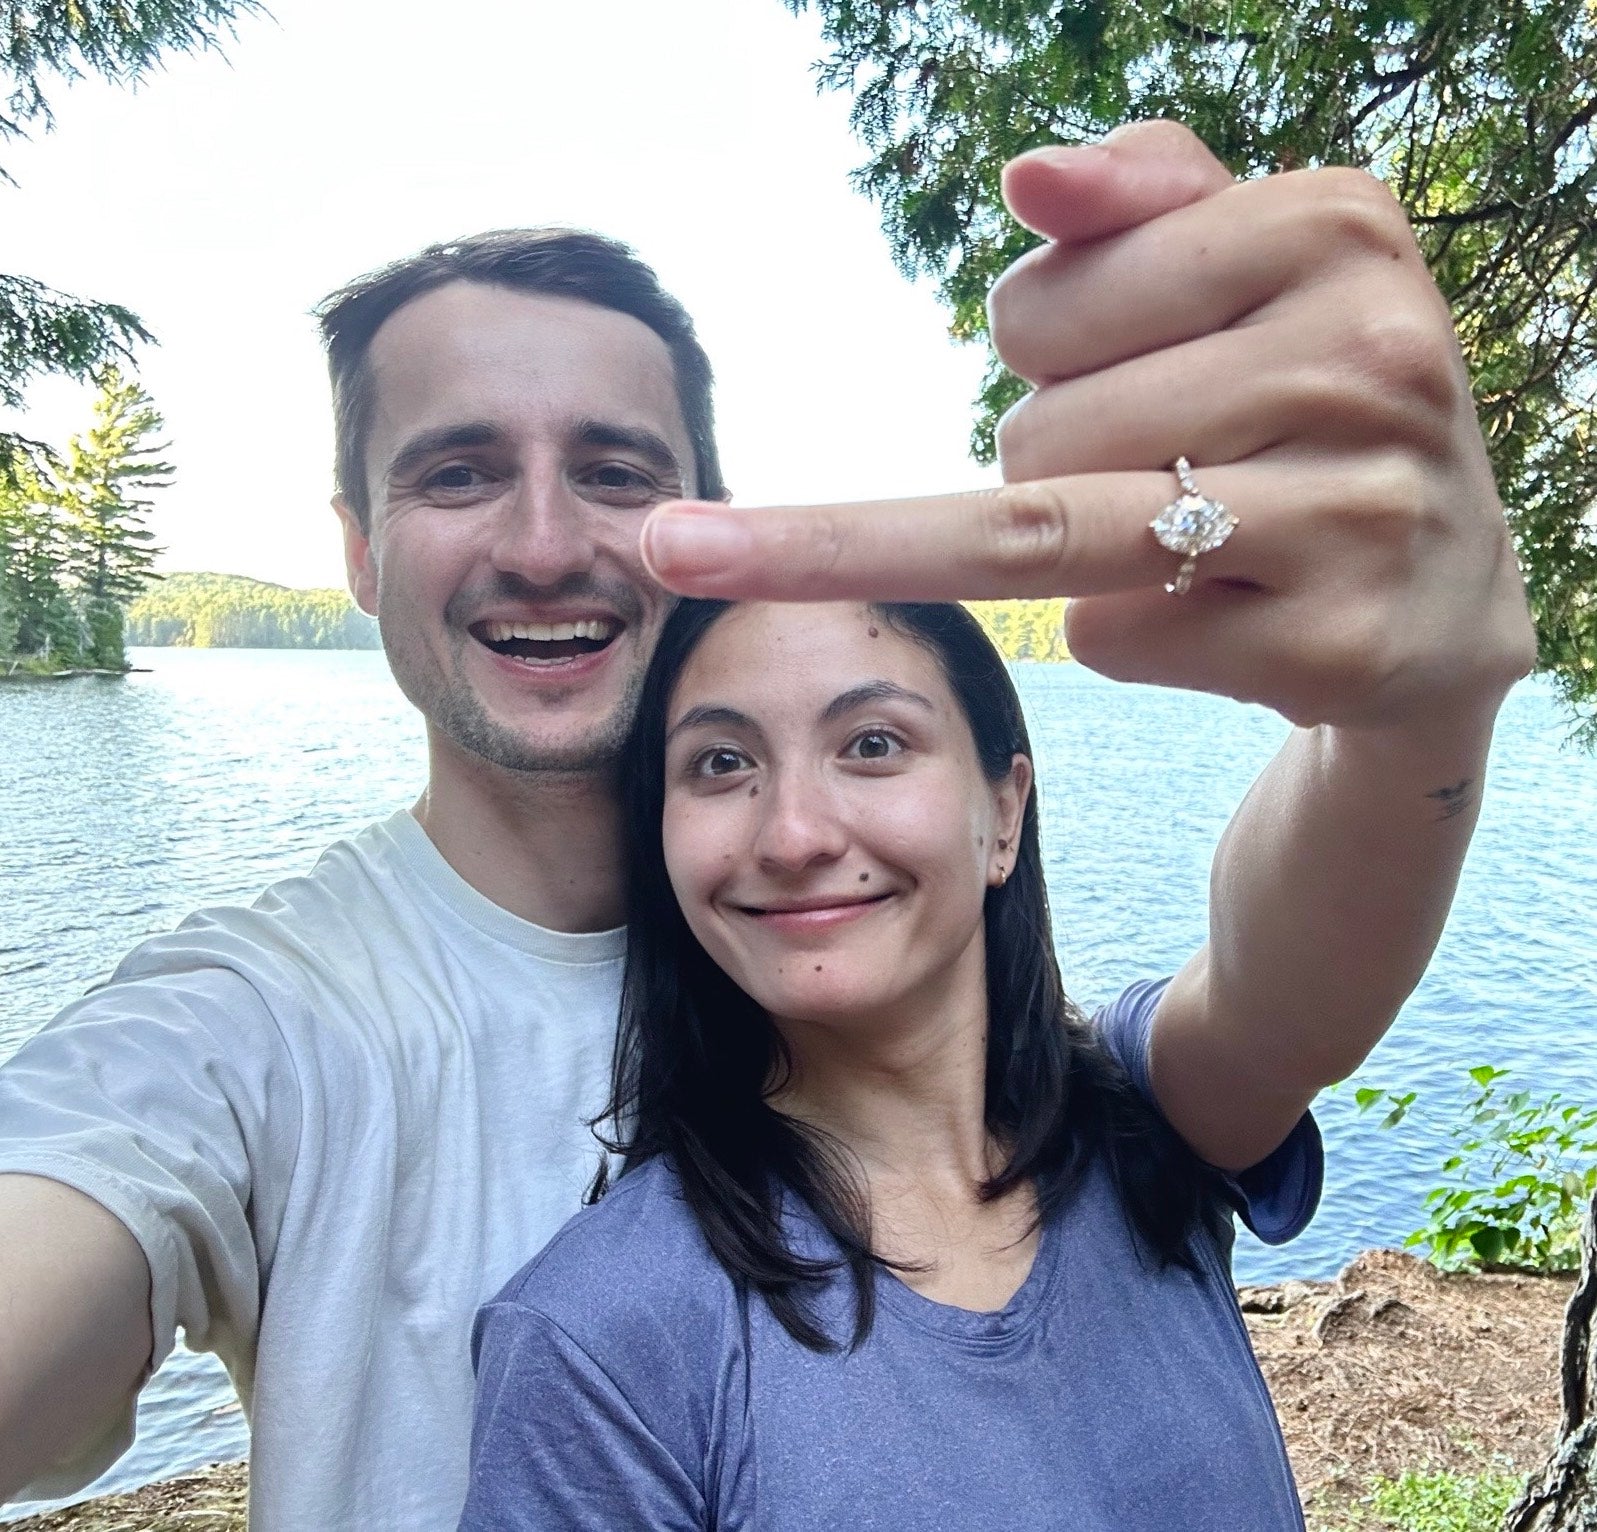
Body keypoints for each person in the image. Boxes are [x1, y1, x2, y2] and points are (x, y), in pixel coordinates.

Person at [0, 120, 1534, 1530]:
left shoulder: (1094, 1109)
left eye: (614, 471)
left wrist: (1415, 703)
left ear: (709, 527)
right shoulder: (247, 1030)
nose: (543, 541)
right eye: (456, 472)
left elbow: (1288, 961)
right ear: (357, 547)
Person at [459, 596, 1323, 1529]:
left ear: (1003, 812)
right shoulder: (599, 1342)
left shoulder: (1146, 1110)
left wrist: (1396, 707)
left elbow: (1310, 944)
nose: (793, 836)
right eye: (721, 762)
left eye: (871, 744)